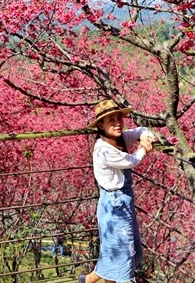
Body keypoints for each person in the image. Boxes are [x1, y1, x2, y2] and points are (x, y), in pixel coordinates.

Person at [80, 99, 156, 283]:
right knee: (122, 252)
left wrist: (145, 137)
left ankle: (88, 280)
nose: (117, 123)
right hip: (113, 204)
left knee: (117, 250)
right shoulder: (103, 150)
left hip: (123, 201)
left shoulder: (119, 138)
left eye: (119, 118)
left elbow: (141, 130)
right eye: (111, 120)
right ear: (101, 125)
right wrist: (144, 149)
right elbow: (131, 161)